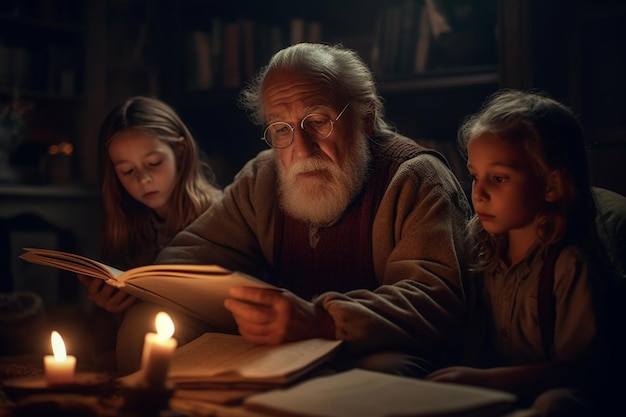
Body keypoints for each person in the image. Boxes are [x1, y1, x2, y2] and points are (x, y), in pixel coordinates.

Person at [115, 42, 472, 377]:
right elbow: (192, 254)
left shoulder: (415, 177)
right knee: (146, 326)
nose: (301, 148)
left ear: (365, 117)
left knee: (377, 374)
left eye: (318, 121)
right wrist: (135, 285)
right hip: (287, 346)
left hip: (375, 349)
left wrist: (325, 320)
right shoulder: (264, 175)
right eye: (281, 129)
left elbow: (433, 298)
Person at [425, 89, 618, 416]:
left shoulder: (569, 264)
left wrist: (487, 382)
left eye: (498, 178)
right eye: (474, 176)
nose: (479, 193)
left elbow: (581, 370)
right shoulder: (480, 247)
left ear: (550, 186)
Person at [78, 96, 223, 371]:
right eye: (127, 170)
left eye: (154, 163)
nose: (143, 179)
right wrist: (111, 307)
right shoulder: (130, 226)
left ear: (180, 152)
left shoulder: (223, 215)